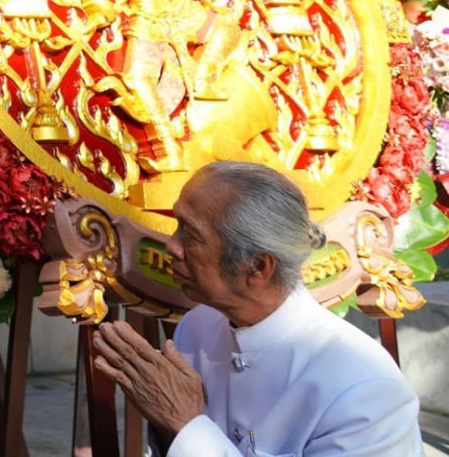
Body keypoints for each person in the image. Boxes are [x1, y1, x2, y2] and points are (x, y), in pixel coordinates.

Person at [93, 160, 420, 456]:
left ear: (257, 267)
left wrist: (186, 423)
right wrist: (168, 420)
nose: (171, 246)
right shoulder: (197, 328)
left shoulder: (364, 388)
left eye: (190, 235)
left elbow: (184, 427)